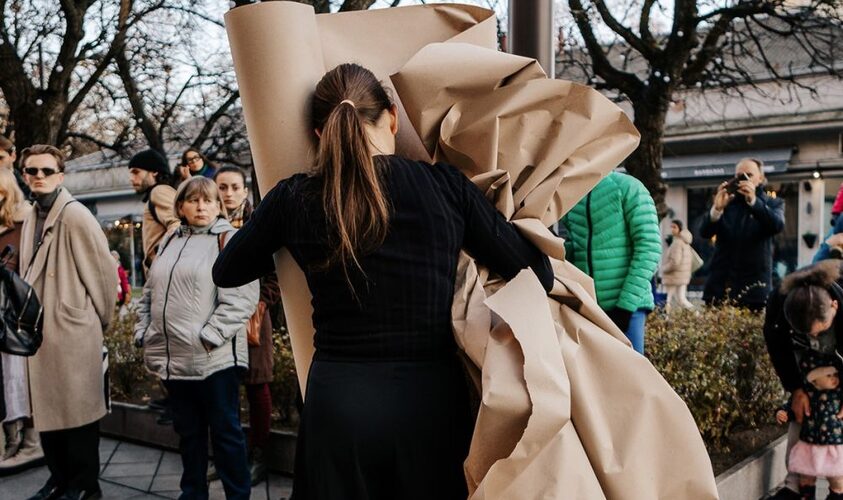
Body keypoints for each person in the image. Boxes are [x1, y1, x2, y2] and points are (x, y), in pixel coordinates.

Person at [213, 63, 553, 499]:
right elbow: (535, 274)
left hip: (338, 405)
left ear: (320, 134)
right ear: (392, 117)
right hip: (430, 404)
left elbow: (228, 272)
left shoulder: (294, 197)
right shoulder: (445, 187)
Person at [134, 176, 258, 500]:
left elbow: (242, 299)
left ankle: (238, 495)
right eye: (193, 200)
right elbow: (149, 291)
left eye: (208, 200)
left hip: (214, 361)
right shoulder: (169, 240)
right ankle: (193, 494)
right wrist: (142, 329)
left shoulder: (230, 240)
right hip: (173, 360)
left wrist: (208, 338)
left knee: (226, 435)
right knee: (188, 436)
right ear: (181, 207)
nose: (201, 206)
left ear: (218, 206)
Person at [18, 145, 118, 500]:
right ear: (25, 175)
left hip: (72, 333)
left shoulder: (76, 216)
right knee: (49, 414)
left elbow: (105, 278)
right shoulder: (32, 214)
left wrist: (94, 322)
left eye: (47, 171)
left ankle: (85, 486)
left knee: (78, 415)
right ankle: (59, 479)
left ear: (60, 175)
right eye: (32, 171)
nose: (39, 177)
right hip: (41, 335)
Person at [214, 165, 280, 485]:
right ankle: (230, 454)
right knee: (224, 388)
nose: (228, 193)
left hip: (254, 316)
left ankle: (258, 455)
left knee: (257, 386)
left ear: (244, 189)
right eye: (222, 187)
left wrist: (261, 302)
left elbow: (277, 271)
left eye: (234, 187)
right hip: (216, 317)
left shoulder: (259, 220)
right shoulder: (209, 223)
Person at [764, 260, 843, 500]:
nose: (814, 338)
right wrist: (796, 388)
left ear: (835, 305)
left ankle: (838, 487)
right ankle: (796, 485)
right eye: (807, 334)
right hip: (804, 363)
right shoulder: (779, 302)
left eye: (819, 331)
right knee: (802, 409)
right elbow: (778, 350)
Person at [559, 171, 662, 354]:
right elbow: (574, 251)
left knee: (632, 377)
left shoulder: (628, 187)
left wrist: (626, 306)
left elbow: (649, 248)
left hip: (629, 308)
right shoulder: (574, 194)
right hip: (588, 308)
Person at [701, 158, 785, 310]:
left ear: (760, 178)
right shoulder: (726, 202)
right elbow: (704, 232)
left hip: (754, 290)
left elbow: (777, 225)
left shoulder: (773, 203)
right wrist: (716, 210)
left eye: (749, 175)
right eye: (739, 176)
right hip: (720, 286)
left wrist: (753, 201)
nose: (743, 180)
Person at [0, 169, 42, 473]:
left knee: (19, 377)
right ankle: (10, 438)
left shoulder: (25, 221)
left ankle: (31, 442)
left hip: (14, 315)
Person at [774, 354, 843, 500]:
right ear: (815, 381)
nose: (834, 377)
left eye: (835, 374)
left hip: (833, 445)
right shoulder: (807, 396)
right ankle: (805, 495)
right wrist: (783, 412)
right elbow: (793, 406)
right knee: (806, 476)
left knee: (837, 478)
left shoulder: (838, 395)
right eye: (828, 375)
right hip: (809, 443)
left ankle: (836, 495)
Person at [127, 149, 180, 276]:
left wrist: (157, 259)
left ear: (154, 172)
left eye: (136, 172)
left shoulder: (159, 191)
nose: (131, 178)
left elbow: (178, 226)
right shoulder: (157, 193)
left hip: (164, 277)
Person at [661, 219, 694, 310]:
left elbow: (675, 262)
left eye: (674, 227)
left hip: (673, 276)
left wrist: (664, 268)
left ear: (680, 229)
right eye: (671, 227)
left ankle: (664, 319)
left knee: (667, 300)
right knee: (681, 299)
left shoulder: (677, 243)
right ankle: (697, 314)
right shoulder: (684, 242)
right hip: (682, 276)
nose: (672, 229)